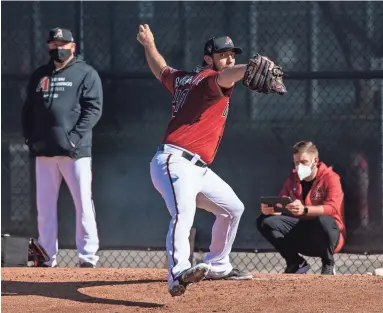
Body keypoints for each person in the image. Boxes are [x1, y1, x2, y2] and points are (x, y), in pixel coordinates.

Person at [137, 24, 276, 297]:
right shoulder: (210, 80)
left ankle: (218, 265)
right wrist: (248, 68)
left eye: (232, 54)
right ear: (208, 58)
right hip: (174, 161)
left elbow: (160, 68)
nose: (229, 59)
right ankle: (178, 272)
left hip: (197, 168)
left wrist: (148, 44)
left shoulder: (183, 79)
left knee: (232, 208)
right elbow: (228, 76)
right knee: (183, 213)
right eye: (223, 54)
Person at [21, 27, 103, 268]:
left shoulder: (86, 74)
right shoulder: (39, 75)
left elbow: (93, 109)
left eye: (63, 43)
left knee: (83, 205)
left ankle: (88, 257)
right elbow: (28, 110)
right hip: (44, 153)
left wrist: (75, 138)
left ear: (73, 47)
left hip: (75, 154)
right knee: (44, 208)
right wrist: (30, 138)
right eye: (54, 44)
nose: (58, 48)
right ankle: (44, 258)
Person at [256, 141, 345, 275]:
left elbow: (332, 208)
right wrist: (273, 210)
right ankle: (296, 263)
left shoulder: (331, 178)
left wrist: (305, 209)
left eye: (303, 162)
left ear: (315, 160)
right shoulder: (292, 178)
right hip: (302, 230)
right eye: (296, 163)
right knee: (264, 221)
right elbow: (282, 201)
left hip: (328, 234)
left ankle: (328, 263)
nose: (299, 166)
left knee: (323, 220)